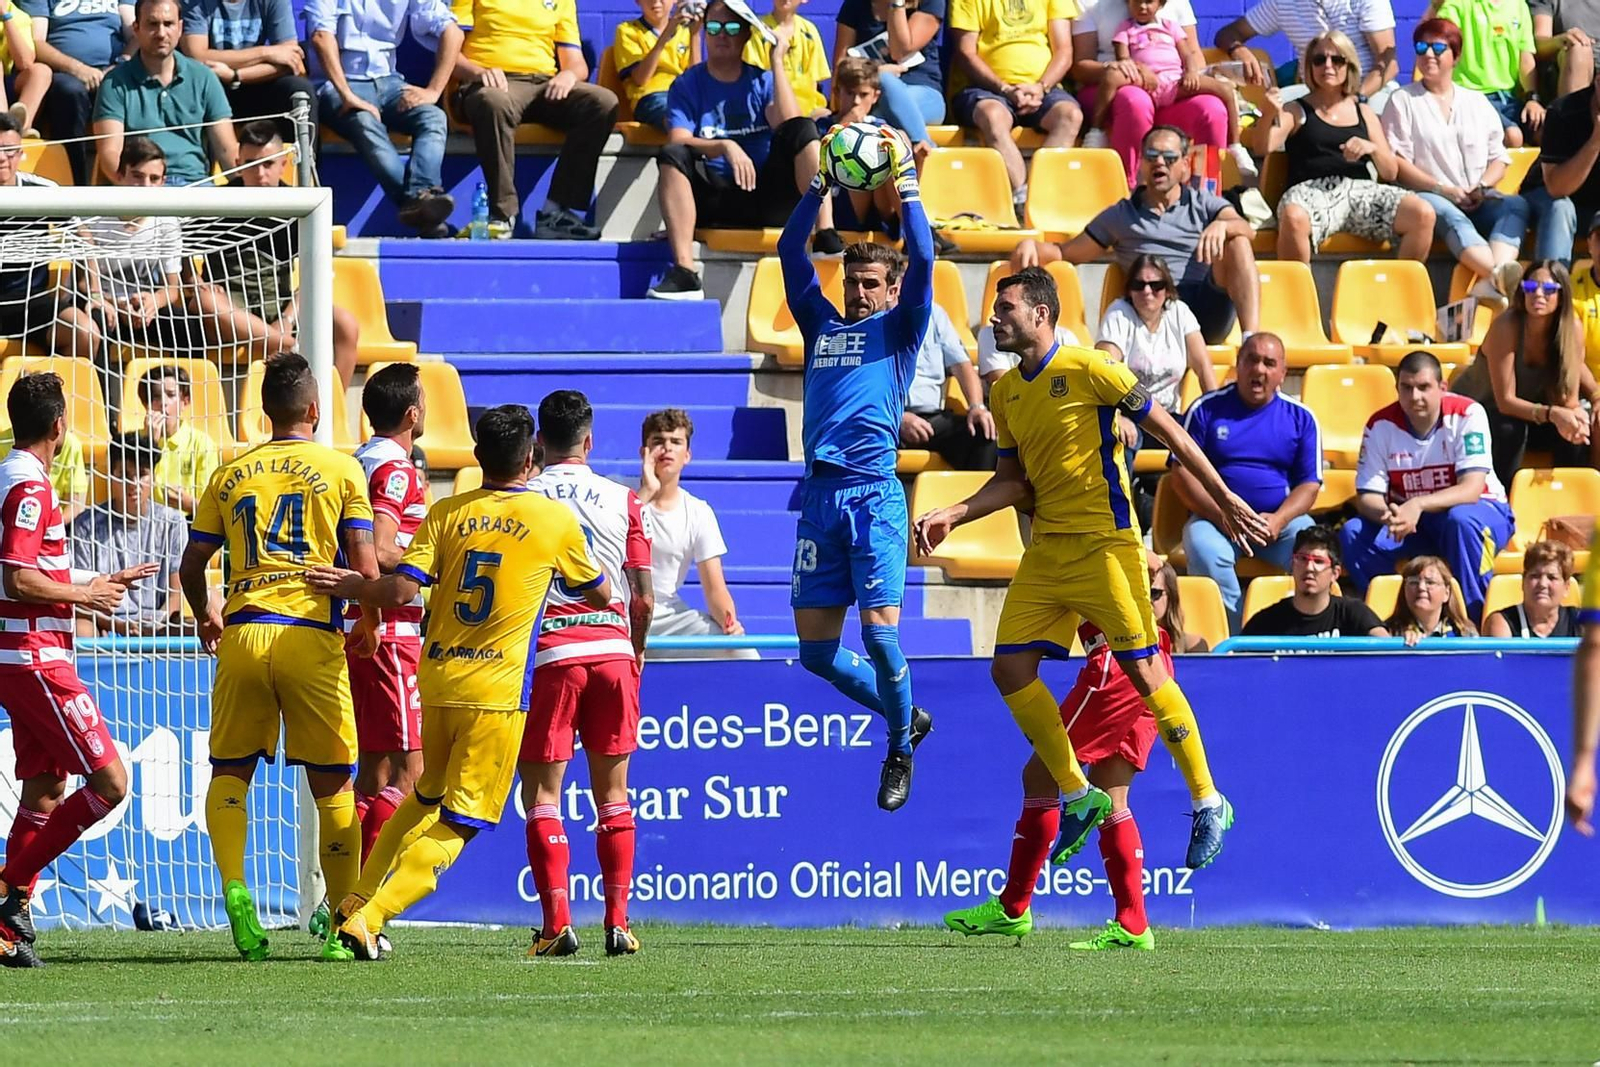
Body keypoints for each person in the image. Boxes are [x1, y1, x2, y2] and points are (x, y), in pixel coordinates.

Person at [913, 267, 1269, 869]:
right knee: (1009, 671)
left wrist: (1226, 495)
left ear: (1042, 315)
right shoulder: (1004, 393)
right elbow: (1013, 482)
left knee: (1147, 674)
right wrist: (955, 513)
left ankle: (1209, 801)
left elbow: (1172, 435)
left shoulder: (1092, 370)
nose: (993, 318)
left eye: (1005, 308)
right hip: (1049, 552)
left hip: (1107, 546)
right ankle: (1078, 793)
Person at [310, 405, 613, 962]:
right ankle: (370, 919)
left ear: (476, 459)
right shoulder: (553, 521)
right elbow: (598, 593)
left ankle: (352, 901)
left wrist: (351, 585)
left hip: (440, 678)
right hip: (495, 695)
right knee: (460, 822)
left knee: (423, 795)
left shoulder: (448, 512)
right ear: (533, 458)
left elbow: (401, 591)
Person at [178, 352, 380, 963]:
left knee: (230, 773)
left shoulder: (231, 471)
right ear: (316, 409)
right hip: (308, 636)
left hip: (242, 633)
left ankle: (236, 889)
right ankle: (346, 925)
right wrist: (367, 621)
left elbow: (192, 566)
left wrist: (205, 613)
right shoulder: (342, 469)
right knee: (333, 787)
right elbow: (366, 567)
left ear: (265, 412)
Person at [782, 129, 933, 812]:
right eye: (854, 280)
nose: (860, 291)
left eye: (872, 282)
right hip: (819, 495)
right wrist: (821, 186)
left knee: (878, 633)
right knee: (814, 655)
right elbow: (790, 252)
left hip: (874, 493)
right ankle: (907, 715)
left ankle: (898, 746)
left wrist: (903, 182)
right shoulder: (822, 327)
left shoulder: (900, 330)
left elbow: (925, 253)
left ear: (893, 287)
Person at [943, 552, 1194, 950]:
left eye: (1157, 593)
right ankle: (1133, 924)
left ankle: (1012, 907)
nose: (1149, 597)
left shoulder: (1095, 527)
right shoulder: (1092, 529)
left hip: (1117, 661)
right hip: (1151, 665)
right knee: (1111, 794)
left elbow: (1146, 558)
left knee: (1042, 773)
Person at [0, 374, 155, 969]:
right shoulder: (28, 487)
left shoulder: (20, 478)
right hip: (34, 657)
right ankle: (6, 887)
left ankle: (11, 922)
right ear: (60, 426)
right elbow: (15, 576)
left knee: (46, 789)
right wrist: (83, 593)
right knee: (111, 784)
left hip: (33, 653)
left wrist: (94, 589)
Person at [518, 390, 653, 959]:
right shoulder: (625, 500)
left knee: (543, 796)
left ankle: (556, 925)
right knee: (614, 795)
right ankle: (618, 922)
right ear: (590, 441)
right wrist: (635, 651)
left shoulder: (522, 497)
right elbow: (643, 597)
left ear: (539, 443)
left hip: (552, 654)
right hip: (613, 649)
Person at [647, 2, 832, 300]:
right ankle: (684, 271)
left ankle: (825, 233)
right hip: (716, 200)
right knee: (673, 153)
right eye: (714, 28)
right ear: (704, 34)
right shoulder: (687, 83)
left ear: (746, 35)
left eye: (732, 28)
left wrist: (777, 62)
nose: (722, 35)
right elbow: (679, 138)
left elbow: (791, 123)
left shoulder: (761, 80)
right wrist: (725, 145)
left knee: (803, 130)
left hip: (767, 197)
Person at [1014, 125, 1260, 345]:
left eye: (1170, 157)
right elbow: (1065, 252)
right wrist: (1031, 245)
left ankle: (1250, 340)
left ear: (1185, 165)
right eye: (1152, 156)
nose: (1160, 163)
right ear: (1141, 163)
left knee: (1237, 241)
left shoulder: (1205, 204)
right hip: (1151, 306)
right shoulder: (1121, 215)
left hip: (1203, 308)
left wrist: (1223, 226)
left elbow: (1246, 229)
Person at [1340, 351, 1515, 623]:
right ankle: (1387, 621)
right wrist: (1391, 516)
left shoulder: (1467, 413)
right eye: (1406, 388)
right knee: (1354, 533)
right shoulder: (1380, 424)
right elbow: (1368, 497)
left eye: (1423, 387)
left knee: (1461, 521)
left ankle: (1472, 622)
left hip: (1481, 512)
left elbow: (1471, 489)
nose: (1415, 397)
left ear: (1442, 388)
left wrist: (1417, 504)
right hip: (1416, 524)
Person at [1173, 333, 1321, 631]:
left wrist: (1280, 519)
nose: (1259, 370)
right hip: (1216, 521)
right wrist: (1223, 515)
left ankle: (1304, 633)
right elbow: (1181, 474)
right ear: (1238, 364)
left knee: (1314, 550)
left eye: (1269, 363)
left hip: (1275, 526)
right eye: (1252, 360)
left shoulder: (1301, 417)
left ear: (1283, 371)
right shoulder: (1205, 409)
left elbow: (1309, 485)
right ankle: (1229, 637)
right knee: (1204, 549)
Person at [1245, 31, 1435, 264]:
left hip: (1360, 191)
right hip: (1309, 192)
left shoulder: (1364, 112)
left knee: (1422, 214)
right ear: (1310, 67)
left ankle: (1399, 292)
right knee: (1293, 217)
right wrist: (1268, 115)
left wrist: (1371, 148)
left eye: (1337, 60)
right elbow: (1263, 146)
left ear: (1349, 66)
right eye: (1319, 60)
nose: (1328, 66)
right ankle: (1297, 295)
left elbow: (1390, 173)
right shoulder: (1297, 110)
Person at [203, 122, 360, 387]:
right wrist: (196, 280)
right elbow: (179, 247)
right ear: (237, 162)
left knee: (345, 324)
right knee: (205, 301)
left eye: (268, 164)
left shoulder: (301, 206)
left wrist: (287, 317)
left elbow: (319, 275)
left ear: (284, 163)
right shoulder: (215, 202)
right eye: (251, 164)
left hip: (279, 305)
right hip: (232, 310)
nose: (260, 174)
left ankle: (332, 411)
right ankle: (292, 347)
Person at [345, 363, 428, 865]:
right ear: (413, 413)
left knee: (372, 770)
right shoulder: (395, 469)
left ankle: (342, 889)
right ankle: (362, 900)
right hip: (389, 631)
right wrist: (435, 561)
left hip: (361, 628)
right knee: (410, 771)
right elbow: (379, 547)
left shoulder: (358, 461)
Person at [1383, 20, 1529, 302]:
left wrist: (1482, 187)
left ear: (1456, 56)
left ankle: (1492, 279)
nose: (1428, 54)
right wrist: (1443, 189)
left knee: (1516, 205)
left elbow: (1499, 157)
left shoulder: (1475, 102)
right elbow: (1399, 163)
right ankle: (1499, 274)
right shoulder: (1402, 100)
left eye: (1438, 47)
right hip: (1429, 196)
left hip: (1477, 196)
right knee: (1447, 212)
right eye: (1421, 47)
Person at [451, 0, 619, 241]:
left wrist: (569, 75)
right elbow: (450, 52)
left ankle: (555, 213)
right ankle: (502, 215)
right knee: (493, 101)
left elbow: (575, 61)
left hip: (543, 84)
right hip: (491, 82)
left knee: (602, 102)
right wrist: (478, 72)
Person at [306, 0, 462, 236]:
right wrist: (347, 94)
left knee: (434, 117)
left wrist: (434, 91)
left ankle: (420, 197)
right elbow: (320, 36)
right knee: (364, 121)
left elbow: (453, 32)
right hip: (340, 83)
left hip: (389, 81)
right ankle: (422, 205)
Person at [1453, 260, 1600, 484]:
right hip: (1483, 410)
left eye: (1549, 289)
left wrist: (1575, 419)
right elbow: (1505, 402)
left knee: (1573, 432)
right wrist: (1553, 414)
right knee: (1509, 429)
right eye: (1530, 288)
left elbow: (1567, 400)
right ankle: (1503, 501)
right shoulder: (1507, 325)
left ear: (1562, 295)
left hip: (1534, 413)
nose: (1538, 294)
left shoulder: (1571, 328)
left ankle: (1572, 502)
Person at [635, 407, 756, 660]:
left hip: (668, 619)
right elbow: (613, 531)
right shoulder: (617, 491)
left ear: (687, 455)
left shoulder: (698, 511)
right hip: (615, 616)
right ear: (643, 452)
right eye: (658, 441)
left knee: (742, 652)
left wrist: (730, 624)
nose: (667, 448)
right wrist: (646, 492)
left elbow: (715, 589)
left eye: (675, 442)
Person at [1094, 0, 1253, 179]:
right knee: (1112, 76)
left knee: (1224, 90)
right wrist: (1141, 69)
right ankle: (1096, 132)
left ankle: (1236, 147)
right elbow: (1123, 58)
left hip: (1175, 83)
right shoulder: (1125, 29)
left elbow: (1188, 54)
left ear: (1161, 5)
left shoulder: (1171, 26)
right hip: (1146, 82)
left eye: (1149, 2)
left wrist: (1191, 72)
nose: (1143, 7)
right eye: (1136, 2)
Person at [949, 0, 1081, 215]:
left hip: (1042, 87)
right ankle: (1021, 195)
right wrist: (1004, 88)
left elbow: (1064, 51)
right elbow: (966, 53)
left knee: (1070, 115)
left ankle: (1037, 194)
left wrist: (1041, 87)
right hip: (986, 88)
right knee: (992, 116)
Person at [1072, 0, 1223, 186]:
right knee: (1135, 101)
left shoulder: (1176, 3)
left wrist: (1182, 81)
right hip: (1111, 85)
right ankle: (1128, 190)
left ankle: (1208, 194)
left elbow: (1194, 55)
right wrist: (1122, 69)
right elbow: (1080, 67)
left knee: (1212, 109)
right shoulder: (1089, 3)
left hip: (1170, 85)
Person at [92, 0, 236, 186]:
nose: (161, 33)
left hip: (197, 187)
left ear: (180, 27)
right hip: (143, 189)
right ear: (136, 29)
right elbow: (109, 154)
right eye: (152, 24)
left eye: (168, 24)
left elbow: (227, 151)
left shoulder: (204, 77)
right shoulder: (114, 82)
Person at [0, 115, 101, 358]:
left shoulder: (42, 192)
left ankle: (57, 392)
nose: (2, 158)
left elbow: (81, 235)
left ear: (21, 153)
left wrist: (94, 290)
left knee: (85, 332)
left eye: (9, 150)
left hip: (29, 302)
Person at [80, 137, 193, 351]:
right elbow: (83, 284)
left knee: (185, 325)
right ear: (120, 175)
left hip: (140, 309)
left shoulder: (168, 222)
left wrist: (154, 301)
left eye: (154, 179)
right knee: (98, 319)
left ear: (163, 182)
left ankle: (178, 383)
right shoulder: (93, 217)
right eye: (138, 176)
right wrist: (116, 304)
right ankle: (97, 385)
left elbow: (172, 290)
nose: (145, 186)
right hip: (99, 302)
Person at [70, 430, 185, 635]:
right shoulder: (86, 525)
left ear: (153, 477)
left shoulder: (173, 522)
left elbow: (176, 593)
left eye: (141, 475)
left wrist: (158, 620)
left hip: (158, 623)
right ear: (110, 476)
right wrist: (118, 626)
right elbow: (82, 598)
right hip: (104, 622)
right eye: (124, 475)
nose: (134, 484)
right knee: (81, 628)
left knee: (207, 609)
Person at [1095, 252, 1217, 443]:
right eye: (1139, 285)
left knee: (1205, 441)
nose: (1147, 291)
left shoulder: (1180, 313)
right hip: (1131, 415)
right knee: (1119, 437)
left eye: (1156, 285)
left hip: (1169, 418)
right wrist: (1116, 417)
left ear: (1168, 289)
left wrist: (1215, 414)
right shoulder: (1118, 313)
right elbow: (1104, 369)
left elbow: (1203, 368)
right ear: (1129, 290)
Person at [19, 0, 133, 184]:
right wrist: (77, 68)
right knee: (69, 92)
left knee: (127, 86)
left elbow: (136, 36)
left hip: (115, 70)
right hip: (64, 72)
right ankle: (74, 186)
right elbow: (36, 42)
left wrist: (120, 64)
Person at [1213, 0, 1400, 112]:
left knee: (1381, 117)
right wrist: (1240, 51)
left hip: (1368, 91)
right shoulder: (1283, 3)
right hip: (1313, 93)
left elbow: (1388, 65)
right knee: (1273, 112)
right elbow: (1228, 34)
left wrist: (1356, 98)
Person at [179, 0, 315, 136]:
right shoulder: (194, 3)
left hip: (256, 82)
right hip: (212, 84)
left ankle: (305, 156)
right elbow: (197, 57)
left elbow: (291, 59)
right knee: (195, 85)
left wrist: (236, 75)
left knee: (298, 89)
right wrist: (265, 53)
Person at [833, 0, 946, 156]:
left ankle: (925, 146)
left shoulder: (929, 2)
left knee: (882, 88)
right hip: (872, 100)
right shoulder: (855, 4)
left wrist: (897, 4)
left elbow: (899, 51)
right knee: (872, 121)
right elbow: (842, 66)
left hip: (924, 94)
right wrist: (875, 71)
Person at [1240, 524, 1389, 637]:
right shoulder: (1266, 622)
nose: (1309, 567)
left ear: (1335, 573)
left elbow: (1389, 651)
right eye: (1302, 559)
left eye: (1318, 561)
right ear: (1292, 565)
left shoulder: (1353, 613)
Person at [1434, 0, 1541, 147]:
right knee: (1513, 136)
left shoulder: (1519, 5)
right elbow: (1435, 38)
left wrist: (1532, 99)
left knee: (1547, 133)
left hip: (1510, 99)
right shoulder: (1457, 4)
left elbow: (1526, 57)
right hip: (1471, 98)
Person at [902, 303, 996, 470]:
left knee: (984, 432)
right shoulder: (868, 318)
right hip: (883, 420)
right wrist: (897, 419)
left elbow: (962, 366)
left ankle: (979, 495)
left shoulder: (934, 314)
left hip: (930, 419)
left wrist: (977, 407)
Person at [1529, 61, 1600, 265]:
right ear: (1597, 82)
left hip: (1593, 208)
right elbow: (1556, 187)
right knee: (1561, 208)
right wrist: (1595, 142)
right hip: (1546, 195)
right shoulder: (1563, 112)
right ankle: (1551, 286)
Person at [137, 364, 219, 516]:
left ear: (184, 402)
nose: (163, 403)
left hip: (188, 526)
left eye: (171, 394)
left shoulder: (202, 444)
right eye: (155, 396)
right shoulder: (133, 443)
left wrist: (187, 503)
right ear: (146, 404)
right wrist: (149, 445)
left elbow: (213, 511)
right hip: (143, 527)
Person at [614, 0, 701, 131]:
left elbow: (696, 79)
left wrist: (695, 34)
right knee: (675, 115)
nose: (655, 2)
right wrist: (666, 33)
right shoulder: (628, 30)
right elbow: (640, 79)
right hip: (651, 96)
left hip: (683, 93)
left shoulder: (684, 31)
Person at [743, 0, 831, 123]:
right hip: (773, 112)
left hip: (810, 113)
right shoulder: (758, 31)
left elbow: (814, 81)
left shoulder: (809, 31)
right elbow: (754, 81)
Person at [1486, 538, 1581, 635]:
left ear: (1566, 587)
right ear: (1523, 582)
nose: (1542, 584)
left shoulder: (1582, 622)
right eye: (1535, 576)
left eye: (1552, 578)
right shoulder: (1502, 622)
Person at [1384, 555, 1478, 644]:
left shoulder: (1464, 633)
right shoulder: (1387, 633)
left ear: (1447, 592)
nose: (1421, 587)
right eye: (1413, 582)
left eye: (1430, 582)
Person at [1532, 0, 1596, 100]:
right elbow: (1539, 45)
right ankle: (1571, 113)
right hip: (1572, 60)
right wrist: (1561, 40)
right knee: (1578, 49)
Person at [2, 0, 50, 135]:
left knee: (41, 71)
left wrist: (5, 16)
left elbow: (25, 62)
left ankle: (18, 129)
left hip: (6, 81)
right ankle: (3, 128)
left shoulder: (18, 16)